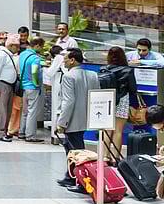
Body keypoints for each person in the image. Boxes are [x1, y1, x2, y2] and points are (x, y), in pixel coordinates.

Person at [54, 48, 99, 188]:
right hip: (88, 117)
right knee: (76, 148)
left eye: (65, 58)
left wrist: (62, 122)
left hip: (73, 119)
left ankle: (79, 179)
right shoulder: (93, 75)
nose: (64, 61)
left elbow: (68, 101)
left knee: (75, 151)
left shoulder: (68, 77)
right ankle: (71, 176)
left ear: (73, 60)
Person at [100, 45, 144, 163]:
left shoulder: (104, 69)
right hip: (122, 100)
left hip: (107, 100)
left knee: (107, 130)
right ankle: (116, 157)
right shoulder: (127, 70)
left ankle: (105, 156)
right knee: (118, 131)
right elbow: (133, 89)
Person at [0, 36, 21, 142]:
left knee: (7, 110)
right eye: (17, 46)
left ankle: (4, 131)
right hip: (2, 85)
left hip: (9, 85)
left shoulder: (9, 55)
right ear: (11, 45)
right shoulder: (1, 55)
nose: (18, 48)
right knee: (1, 110)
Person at [16, 37, 47, 142]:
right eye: (41, 47)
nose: (42, 49)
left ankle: (21, 132)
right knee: (32, 112)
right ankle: (30, 136)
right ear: (37, 45)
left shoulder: (23, 54)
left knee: (25, 111)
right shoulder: (35, 58)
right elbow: (34, 71)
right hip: (32, 87)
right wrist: (36, 82)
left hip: (24, 86)